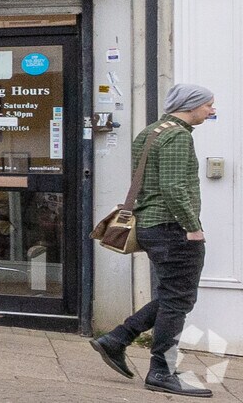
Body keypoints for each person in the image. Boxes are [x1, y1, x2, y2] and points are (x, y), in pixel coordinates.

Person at [92, 83, 220, 397]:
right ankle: (161, 371)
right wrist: (193, 227)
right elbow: (174, 187)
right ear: (191, 106)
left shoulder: (151, 131)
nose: (212, 111)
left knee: (173, 295)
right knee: (178, 300)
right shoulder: (177, 135)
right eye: (208, 105)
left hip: (151, 226)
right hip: (171, 227)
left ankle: (117, 338)